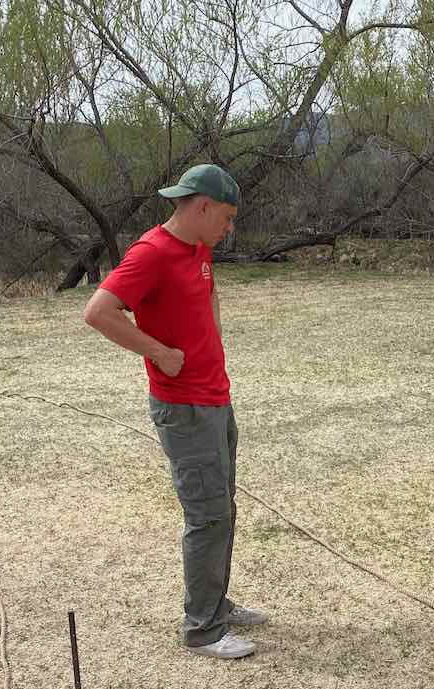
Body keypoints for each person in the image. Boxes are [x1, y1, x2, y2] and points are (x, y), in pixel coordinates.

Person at [82, 163, 268, 659]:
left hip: (214, 396)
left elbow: (207, 297)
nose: (228, 229)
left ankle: (216, 603)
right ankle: (202, 630)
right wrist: (159, 353)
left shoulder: (199, 248)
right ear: (202, 206)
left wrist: (214, 347)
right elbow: (98, 311)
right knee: (207, 515)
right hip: (183, 407)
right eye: (226, 217)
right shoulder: (152, 253)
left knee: (222, 509)